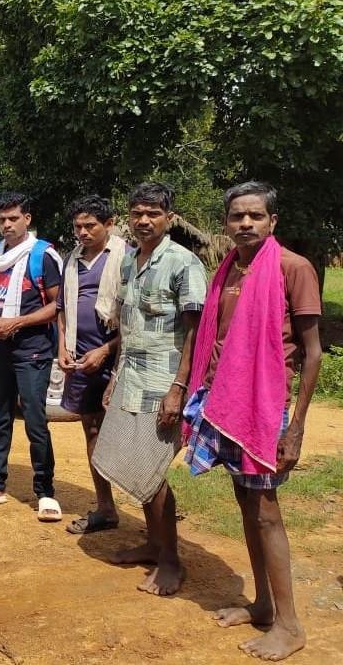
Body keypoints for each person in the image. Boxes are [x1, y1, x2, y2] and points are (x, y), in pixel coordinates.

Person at [182, 182, 320, 660]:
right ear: (226, 222)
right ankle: (262, 604)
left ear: (272, 222)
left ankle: (290, 624)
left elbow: (314, 352)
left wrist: (295, 426)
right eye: (237, 216)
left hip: (264, 408)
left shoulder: (291, 268)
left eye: (255, 216)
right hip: (225, 402)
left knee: (266, 512)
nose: (245, 224)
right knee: (245, 502)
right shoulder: (227, 269)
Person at [92, 181, 207, 597]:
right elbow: (128, 326)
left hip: (164, 384)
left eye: (153, 213)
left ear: (169, 218)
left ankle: (172, 563)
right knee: (136, 467)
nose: (144, 220)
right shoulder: (128, 262)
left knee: (153, 471)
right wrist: (117, 377)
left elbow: (197, 332)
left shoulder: (184, 263)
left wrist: (179, 388)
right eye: (137, 212)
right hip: (131, 379)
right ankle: (154, 545)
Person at [0, 191, 64, 520]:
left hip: (33, 350)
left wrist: (18, 322)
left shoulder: (44, 255)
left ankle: (45, 491)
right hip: (0, 348)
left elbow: (58, 305)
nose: (7, 225)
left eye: (13, 218)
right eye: (2, 219)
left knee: (35, 419)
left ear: (27, 219)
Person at [57, 196, 127, 534]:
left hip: (121, 360)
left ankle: (151, 508)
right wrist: (62, 348)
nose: (83, 233)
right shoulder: (71, 260)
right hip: (80, 359)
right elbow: (62, 309)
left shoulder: (126, 258)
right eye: (78, 227)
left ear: (109, 224)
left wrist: (107, 349)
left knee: (131, 433)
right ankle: (106, 507)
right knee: (93, 430)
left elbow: (134, 318)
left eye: (90, 226)